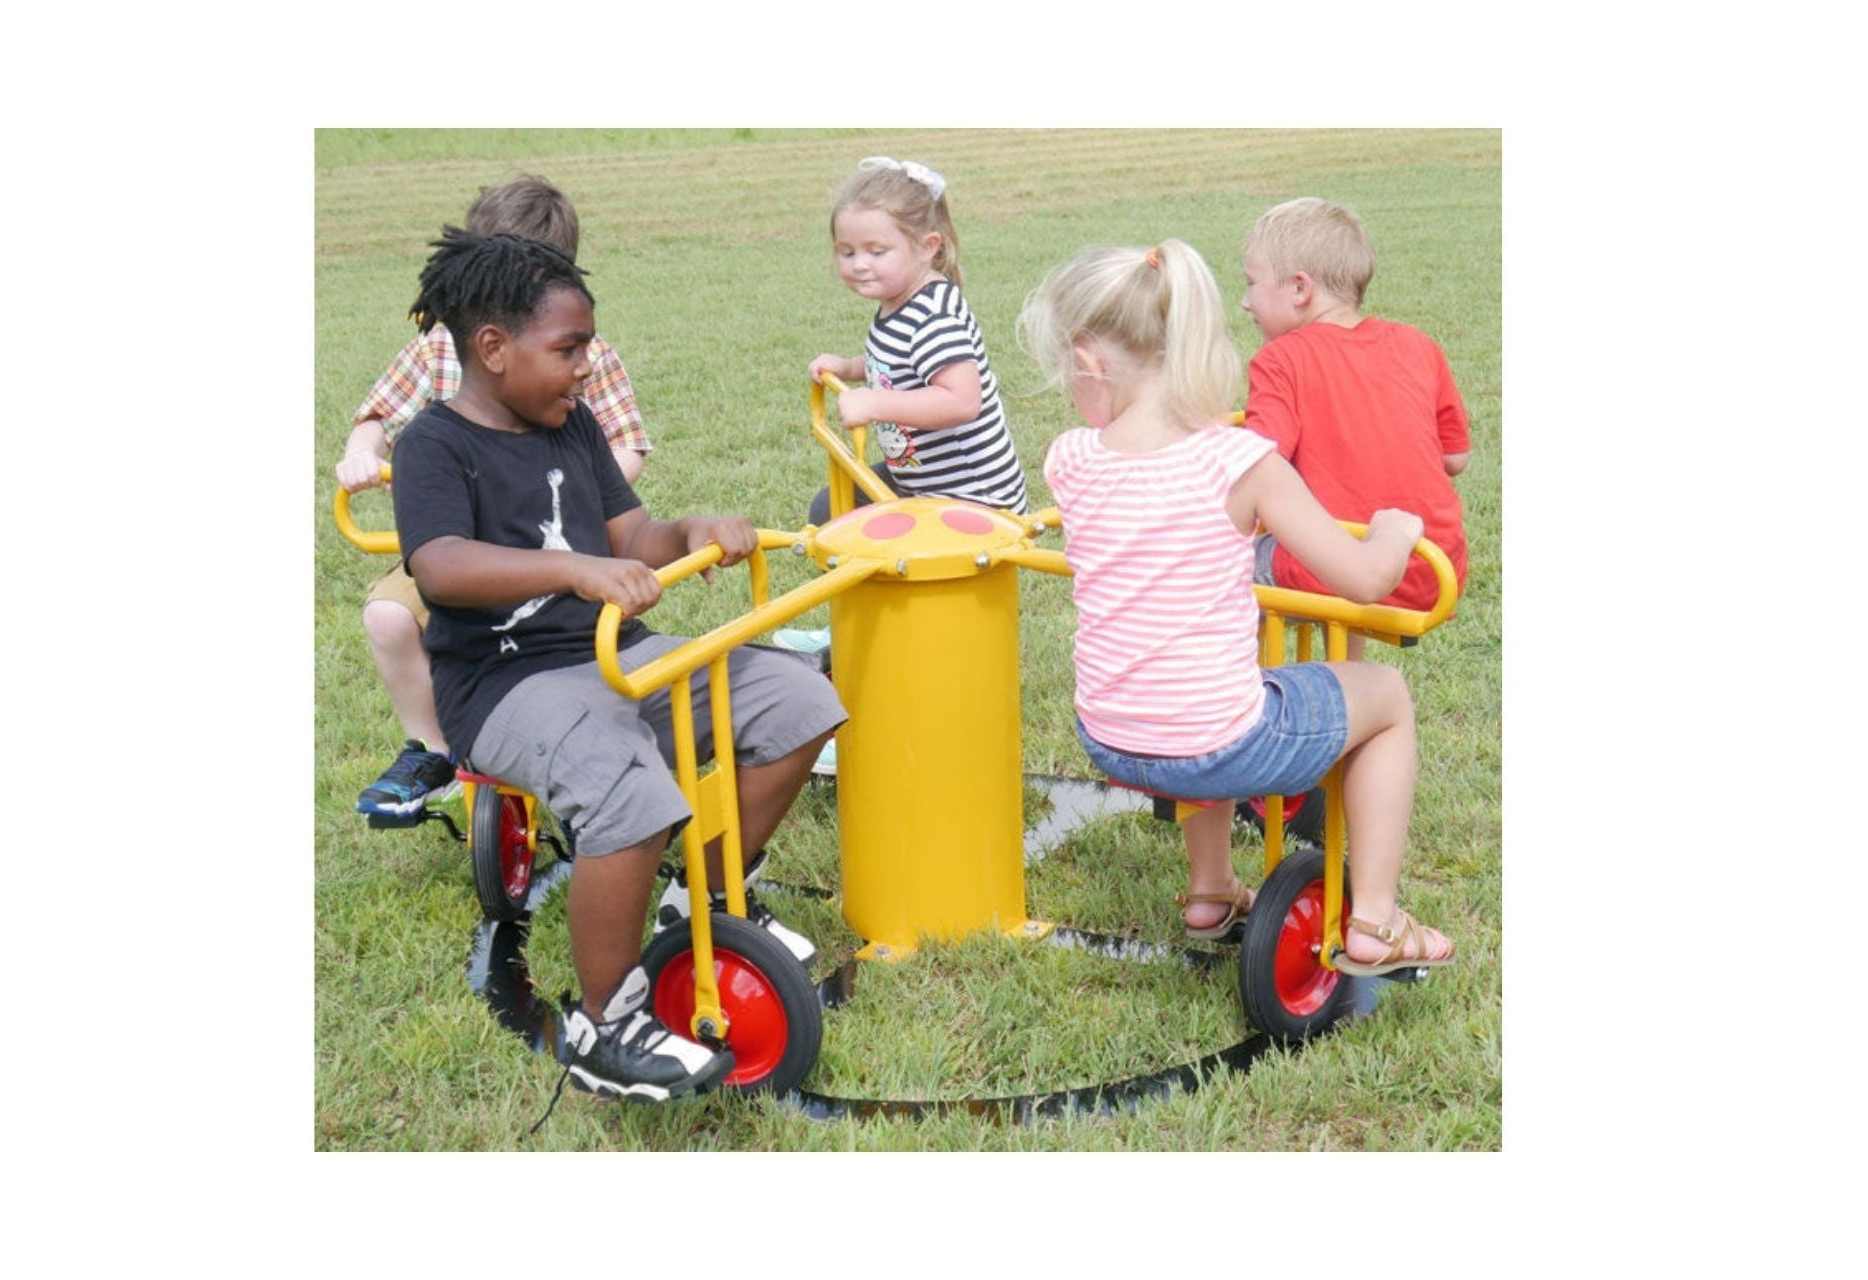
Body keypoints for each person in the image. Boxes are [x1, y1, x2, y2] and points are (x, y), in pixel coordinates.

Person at [391, 230, 844, 1101]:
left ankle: (700, 898)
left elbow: (632, 537)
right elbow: (441, 564)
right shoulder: (434, 447)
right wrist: (571, 568)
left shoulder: (575, 427)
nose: (587, 369)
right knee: (626, 788)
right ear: (492, 349)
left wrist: (689, 534)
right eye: (568, 351)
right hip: (507, 684)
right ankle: (608, 1024)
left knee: (796, 698)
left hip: (614, 655)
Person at [1018, 239, 1455, 976]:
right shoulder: (1239, 461)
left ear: (1091, 362)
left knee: (1203, 677)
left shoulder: (1071, 458)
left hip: (1111, 734)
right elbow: (1364, 580)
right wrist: (1395, 529)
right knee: (1385, 695)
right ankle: (1377, 919)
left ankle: (1211, 891)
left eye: (1065, 369)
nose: (1068, 388)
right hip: (1216, 740)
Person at [335, 174, 654, 820]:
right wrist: (363, 452)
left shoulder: (583, 355)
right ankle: (434, 747)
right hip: (454, 542)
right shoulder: (435, 350)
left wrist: (587, 497)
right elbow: (377, 415)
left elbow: (627, 443)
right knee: (390, 616)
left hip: (554, 540)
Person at [780, 157, 1031, 751]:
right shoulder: (899, 304)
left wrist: (876, 405)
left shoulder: (936, 311)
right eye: (847, 251)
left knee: (860, 533)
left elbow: (959, 400)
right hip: (922, 480)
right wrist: (851, 368)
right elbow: (894, 363)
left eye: (875, 250)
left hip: (972, 494)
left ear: (927, 246)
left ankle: (880, 661)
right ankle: (851, 639)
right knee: (830, 512)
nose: (860, 264)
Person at [1238, 197, 1469, 637]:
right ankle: (1346, 685)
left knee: (1219, 562)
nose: (1245, 302)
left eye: (1251, 283)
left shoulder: (1281, 359)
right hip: (1431, 568)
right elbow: (1455, 458)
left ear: (1300, 289)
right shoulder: (1418, 345)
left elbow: (1258, 465)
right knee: (1339, 535)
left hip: (1335, 575)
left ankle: (1244, 697)